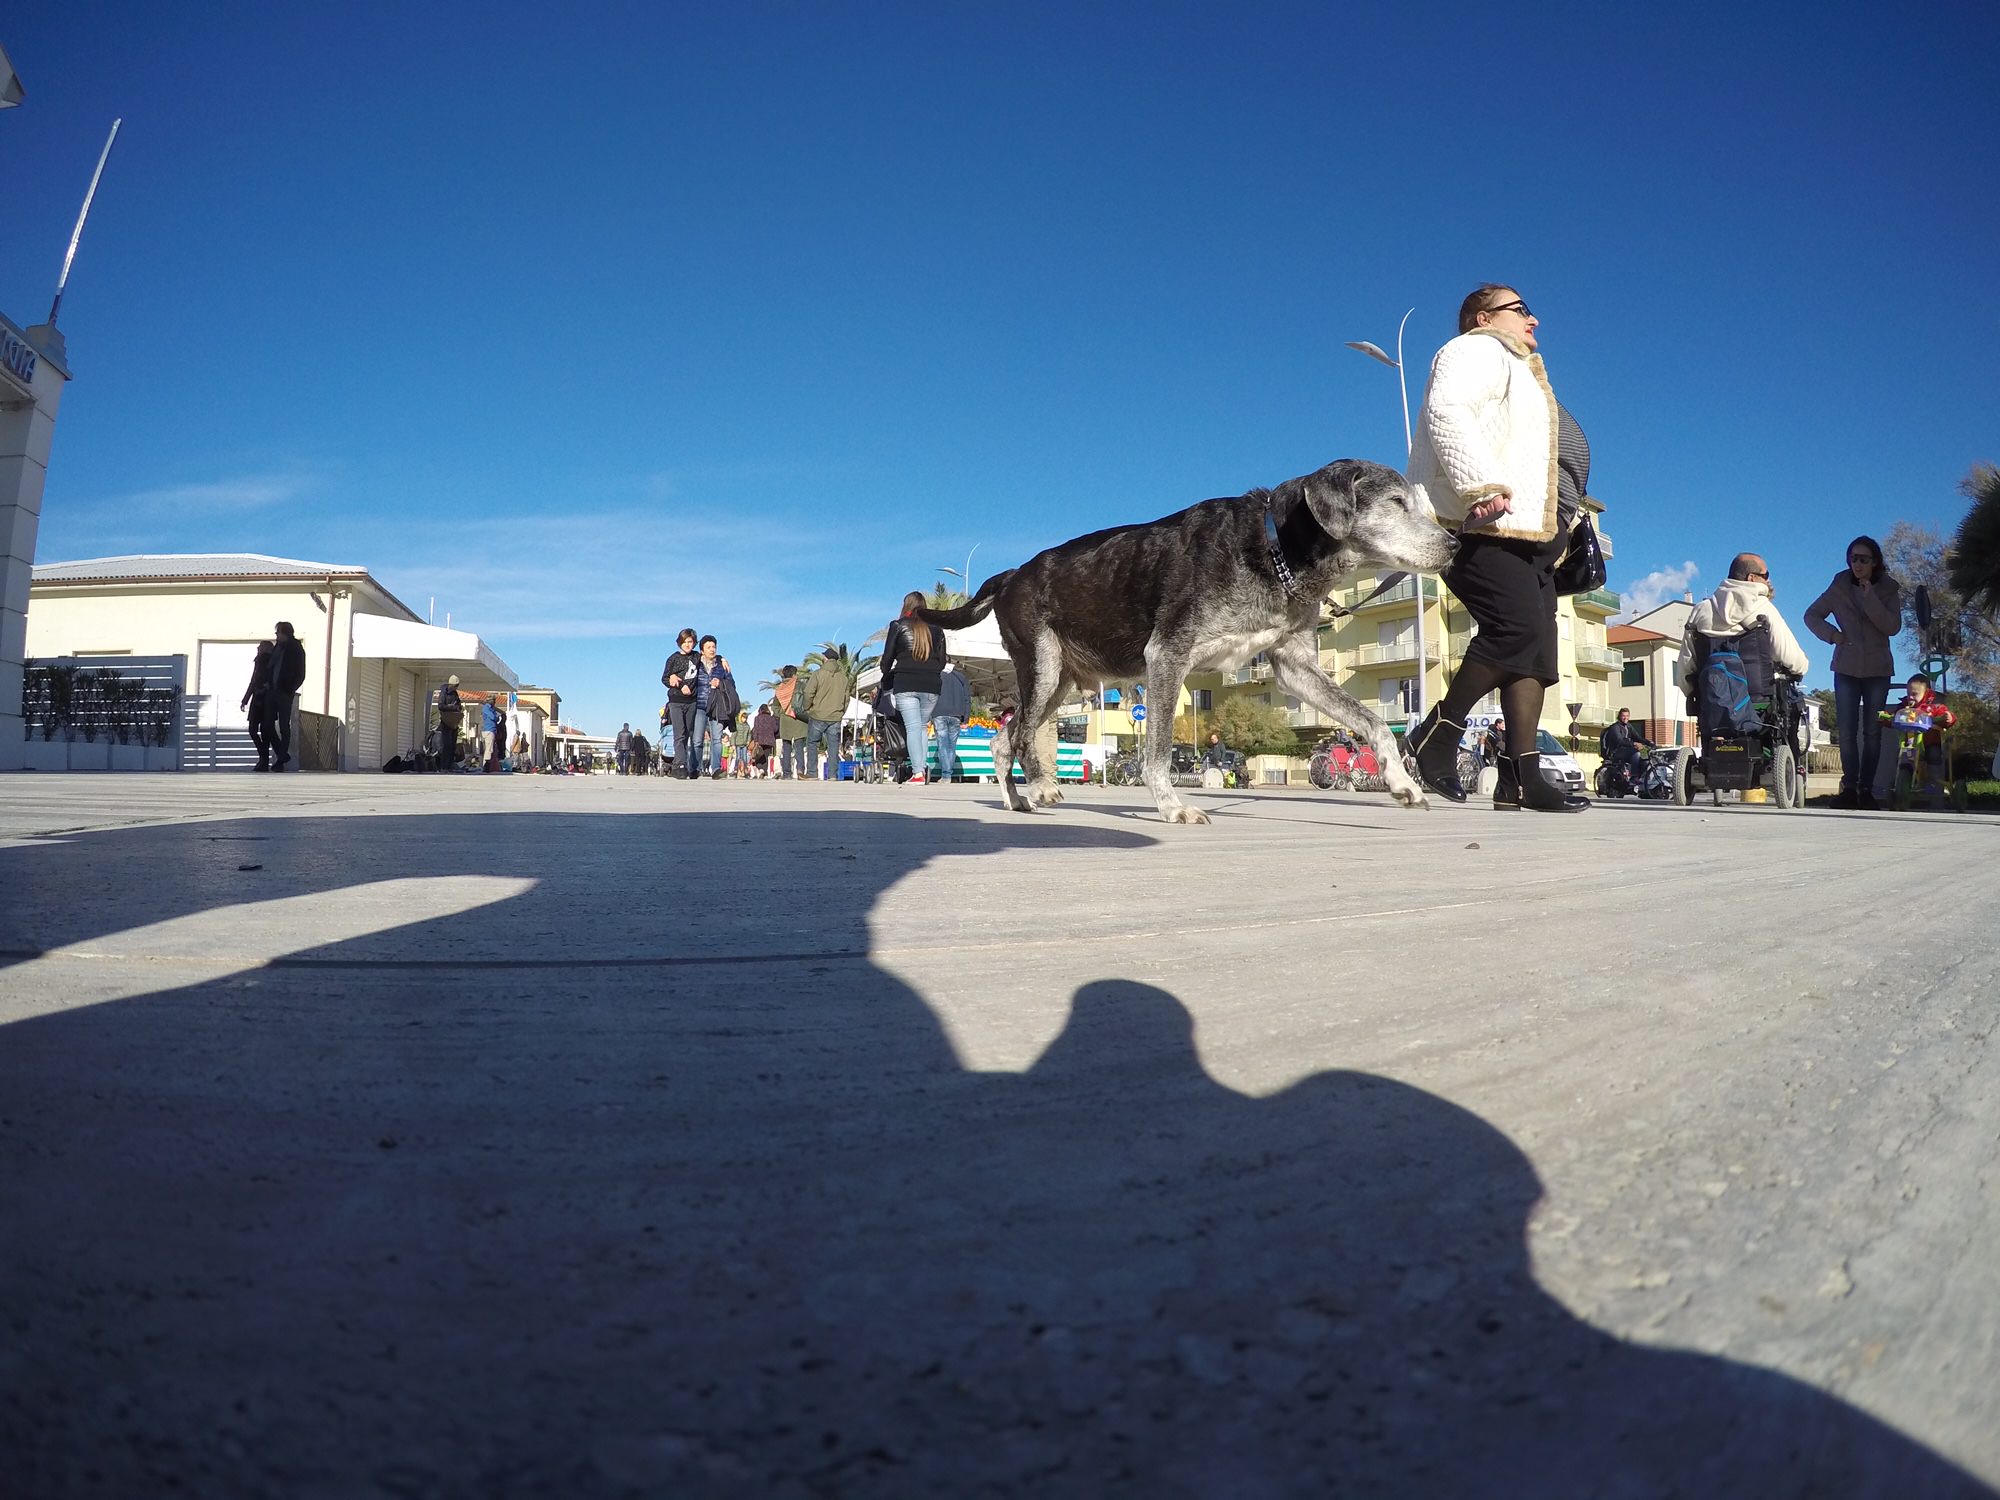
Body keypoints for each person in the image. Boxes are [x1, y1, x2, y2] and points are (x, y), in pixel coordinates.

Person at [1404, 285, 1588, 813]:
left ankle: (1521, 777)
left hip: (1532, 536)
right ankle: (1436, 734)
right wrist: (1479, 485)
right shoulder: (1474, 349)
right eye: (1521, 308)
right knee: (1516, 630)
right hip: (1484, 522)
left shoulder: (1519, 367)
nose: (1534, 317)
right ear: (1484, 317)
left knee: (1535, 655)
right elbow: (1448, 410)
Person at [1804, 536, 1904, 809]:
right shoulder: (1839, 586)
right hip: (1846, 666)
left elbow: (1892, 627)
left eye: (1864, 559)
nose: (1857, 564)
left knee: (1873, 732)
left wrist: (1869, 596)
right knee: (1846, 732)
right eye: (1853, 558)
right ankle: (1849, 788)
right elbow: (1811, 615)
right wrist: (1833, 636)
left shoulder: (1888, 590)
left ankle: (1867, 790)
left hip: (1878, 669)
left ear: (1875, 562)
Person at [1675, 551, 1811, 715]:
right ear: (1751, 578)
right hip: (1759, 706)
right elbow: (1792, 659)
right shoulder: (1764, 608)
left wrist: (1695, 693)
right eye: (1766, 575)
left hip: (1713, 703)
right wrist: (1801, 668)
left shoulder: (1700, 611)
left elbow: (1685, 668)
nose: (1768, 580)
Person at [879, 592, 945, 784]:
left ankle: (918, 773)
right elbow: (942, 661)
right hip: (932, 685)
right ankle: (921, 769)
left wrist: (886, 674)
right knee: (922, 727)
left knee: (913, 728)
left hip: (906, 683)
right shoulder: (937, 629)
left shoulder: (898, 625)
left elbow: (887, 658)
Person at [1885, 672, 1956, 794]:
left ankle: (1935, 781)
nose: (1910, 697)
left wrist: (1948, 717)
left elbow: (1945, 716)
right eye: (1908, 694)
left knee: (1933, 754)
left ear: (1926, 692)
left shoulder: (1933, 706)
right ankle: (1903, 780)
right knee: (1903, 757)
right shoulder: (1904, 706)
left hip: (1929, 741)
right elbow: (1894, 716)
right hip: (1910, 742)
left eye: (1914, 694)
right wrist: (1886, 718)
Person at [262, 621, 308, 772]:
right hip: (272, 691)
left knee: (283, 726)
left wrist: (290, 689)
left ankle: (281, 760)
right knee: (267, 725)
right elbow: (271, 667)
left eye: (277, 633)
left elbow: (301, 674)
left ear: (284, 632)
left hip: (284, 693)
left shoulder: (296, 649)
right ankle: (282, 755)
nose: (276, 636)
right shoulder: (277, 648)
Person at [691, 635, 738, 780]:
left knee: (717, 739)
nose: (712, 650)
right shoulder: (695, 663)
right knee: (697, 740)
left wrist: (721, 683)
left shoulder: (721, 666)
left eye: (714, 647)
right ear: (702, 650)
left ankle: (716, 769)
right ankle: (694, 768)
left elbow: (732, 685)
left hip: (717, 706)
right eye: (708, 647)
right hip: (699, 705)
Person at [798, 652, 851, 779]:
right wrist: (840, 712)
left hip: (818, 715)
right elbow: (847, 698)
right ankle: (833, 774)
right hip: (835, 717)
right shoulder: (843, 678)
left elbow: (808, 692)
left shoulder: (817, 674)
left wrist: (807, 708)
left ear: (825, 659)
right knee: (833, 746)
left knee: (812, 743)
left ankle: (812, 773)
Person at [661, 629, 703, 779]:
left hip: (692, 701)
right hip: (676, 701)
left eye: (690, 641)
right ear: (680, 642)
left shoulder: (697, 657)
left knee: (689, 734)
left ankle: (686, 764)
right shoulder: (673, 659)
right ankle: (679, 765)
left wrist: (722, 658)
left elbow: (710, 657)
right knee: (679, 734)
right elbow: (664, 679)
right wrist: (677, 683)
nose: (687, 644)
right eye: (685, 641)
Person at [931, 655, 970, 784]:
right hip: (957, 715)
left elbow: (931, 696)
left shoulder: (935, 676)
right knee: (951, 746)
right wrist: (966, 718)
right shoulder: (961, 677)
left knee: (942, 744)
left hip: (939, 713)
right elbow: (967, 699)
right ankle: (947, 773)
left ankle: (946, 775)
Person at [240, 640, 275, 771]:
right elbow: (254, 680)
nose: (257, 648)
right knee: (263, 731)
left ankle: (263, 759)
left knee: (254, 729)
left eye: (260, 646)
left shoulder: (263, 661)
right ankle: (264, 759)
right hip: (264, 698)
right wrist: (246, 699)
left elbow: (254, 681)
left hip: (261, 698)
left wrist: (246, 699)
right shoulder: (263, 661)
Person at [1598, 708, 1652, 788]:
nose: (1625, 718)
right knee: (1636, 754)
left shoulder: (1628, 726)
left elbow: (1637, 737)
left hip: (1626, 751)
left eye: (1627, 716)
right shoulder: (1615, 727)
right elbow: (1620, 741)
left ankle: (1641, 777)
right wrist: (1634, 743)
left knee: (1645, 755)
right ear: (1619, 716)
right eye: (1623, 716)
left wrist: (1649, 743)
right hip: (1616, 752)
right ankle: (1633, 777)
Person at [773, 666, 807, 778]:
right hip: (799, 719)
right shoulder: (801, 685)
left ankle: (787, 773)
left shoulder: (779, 688)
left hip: (785, 721)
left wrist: (782, 714)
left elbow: (775, 707)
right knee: (799, 747)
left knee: (786, 748)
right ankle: (800, 770)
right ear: (794, 675)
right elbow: (808, 699)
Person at [436, 674, 464, 769]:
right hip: (446, 722)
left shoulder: (455, 694)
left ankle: (450, 765)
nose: (456, 688)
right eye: (456, 686)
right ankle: (444, 766)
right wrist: (450, 707)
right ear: (451, 685)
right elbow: (440, 706)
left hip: (454, 722)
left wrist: (458, 707)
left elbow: (459, 704)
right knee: (446, 745)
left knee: (452, 745)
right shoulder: (443, 693)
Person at [751, 701, 778, 778]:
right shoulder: (772, 718)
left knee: (758, 756)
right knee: (765, 757)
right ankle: (765, 772)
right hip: (769, 741)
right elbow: (775, 729)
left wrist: (755, 740)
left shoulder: (757, 718)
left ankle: (761, 769)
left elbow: (755, 730)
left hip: (760, 740)